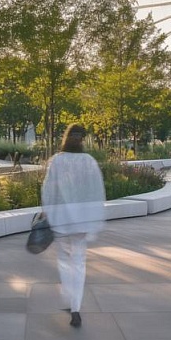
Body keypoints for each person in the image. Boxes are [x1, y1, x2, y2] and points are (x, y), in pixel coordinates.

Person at [41, 124, 106, 328]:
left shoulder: (57, 161)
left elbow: (48, 190)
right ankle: (76, 307)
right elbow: (96, 191)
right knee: (79, 263)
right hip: (82, 221)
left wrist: (47, 213)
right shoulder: (89, 162)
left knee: (63, 261)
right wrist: (93, 218)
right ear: (82, 139)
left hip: (61, 219)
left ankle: (68, 298)